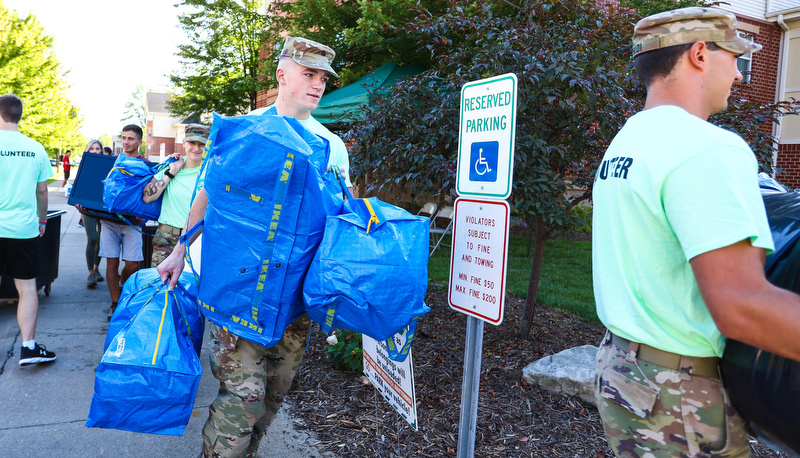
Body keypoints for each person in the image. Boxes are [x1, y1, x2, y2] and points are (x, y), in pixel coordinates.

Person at [592, 7, 800, 457]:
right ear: (701, 54)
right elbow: (742, 306)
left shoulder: (628, 140)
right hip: (678, 396)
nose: (741, 76)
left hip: (625, 371)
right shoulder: (708, 147)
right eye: (736, 59)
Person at [158, 36, 351, 457]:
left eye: (323, 78)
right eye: (308, 74)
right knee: (243, 399)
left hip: (294, 299)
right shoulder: (242, 131)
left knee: (271, 401)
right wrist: (179, 250)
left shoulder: (331, 145)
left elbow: (342, 216)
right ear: (282, 75)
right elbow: (207, 195)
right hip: (237, 290)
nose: (317, 85)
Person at [0, 94, 57, 366]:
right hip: (23, 229)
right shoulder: (35, 148)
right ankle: (29, 347)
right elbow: (42, 191)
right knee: (27, 289)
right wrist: (42, 221)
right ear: (18, 115)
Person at [142, 124, 207, 267]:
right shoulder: (170, 166)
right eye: (192, 143)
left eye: (201, 144)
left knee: (189, 284)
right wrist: (171, 173)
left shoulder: (210, 173)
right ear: (184, 143)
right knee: (160, 282)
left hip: (195, 237)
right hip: (166, 237)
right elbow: (147, 196)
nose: (196, 148)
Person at [101, 124, 146, 320]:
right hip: (109, 221)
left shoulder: (146, 165)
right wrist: (83, 204)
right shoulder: (112, 162)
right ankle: (115, 303)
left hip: (133, 223)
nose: (126, 142)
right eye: (124, 138)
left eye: (131, 138)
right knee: (111, 261)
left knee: (132, 265)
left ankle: (122, 286)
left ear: (139, 142)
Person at [77, 139, 105, 288]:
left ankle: (96, 269)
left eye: (97, 149)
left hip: (102, 208)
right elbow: (78, 188)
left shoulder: (106, 166)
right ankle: (90, 273)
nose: (95, 151)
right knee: (92, 238)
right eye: (92, 149)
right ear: (87, 151)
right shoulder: (83, 167)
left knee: (101, 240)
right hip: (87, 208)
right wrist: (77, 204)